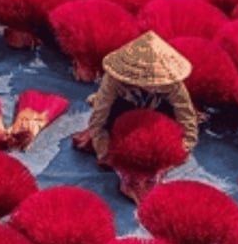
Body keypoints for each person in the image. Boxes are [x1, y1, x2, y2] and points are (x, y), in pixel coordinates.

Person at [71, 31, 201, 166]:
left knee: (171, 125)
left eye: (157, 82)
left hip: (157, 108)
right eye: (148, 82)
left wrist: (182, 149)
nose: (153, 86)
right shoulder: (113, 80)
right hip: (123, 106)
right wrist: (104, 152)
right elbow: (99, 118)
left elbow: (186, 117)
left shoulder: (173, 83)